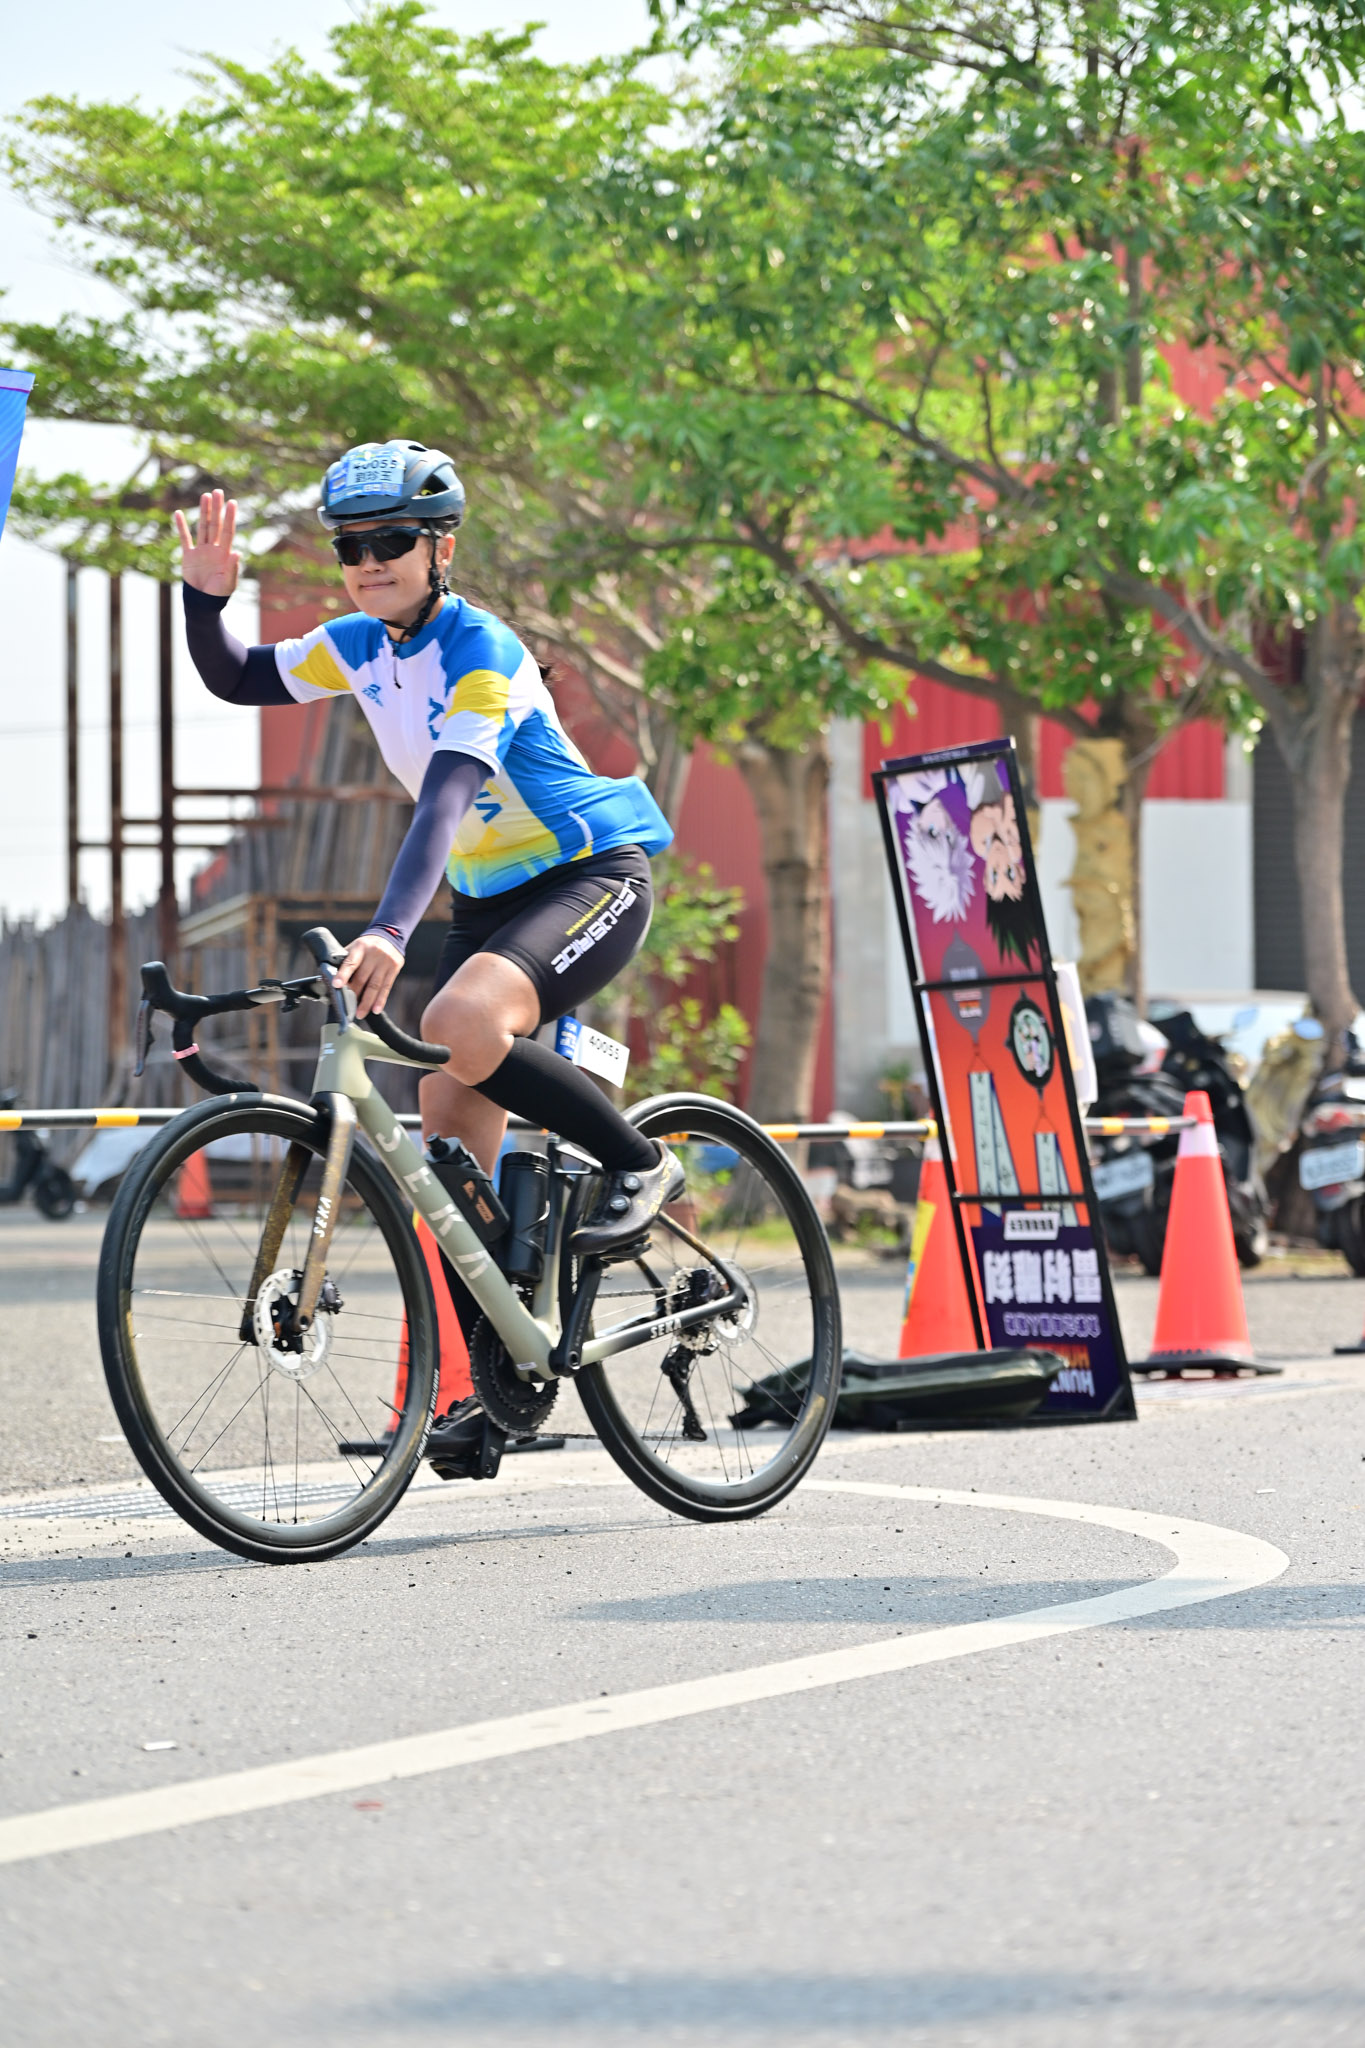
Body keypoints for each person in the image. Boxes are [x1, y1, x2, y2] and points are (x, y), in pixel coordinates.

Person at [176, 438, 684, 1460]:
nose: (370, 562)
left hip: (588, 876)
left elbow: (444, 801)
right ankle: (496, 1389)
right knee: (448, 1152)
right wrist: (205, 598)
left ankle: (642, 1162)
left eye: (393, 541)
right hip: (490, 903)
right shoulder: (359, 645)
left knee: (457, 1022)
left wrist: (390, 930)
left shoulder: (482, 651)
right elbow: (237, 677)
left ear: (440, 547)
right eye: (351, 546)